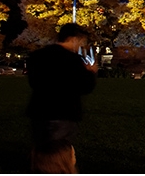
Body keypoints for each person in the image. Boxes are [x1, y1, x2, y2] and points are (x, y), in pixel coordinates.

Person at [26, 23, 98, 172]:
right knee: (59, 150)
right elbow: (86, 87)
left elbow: (33, 82)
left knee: (42, 148)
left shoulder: (37, 56)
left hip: (39, 109)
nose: (80, 46)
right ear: (73, 39)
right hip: (64, 111)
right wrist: (91, 73)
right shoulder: (73, 60)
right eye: (80, 41)